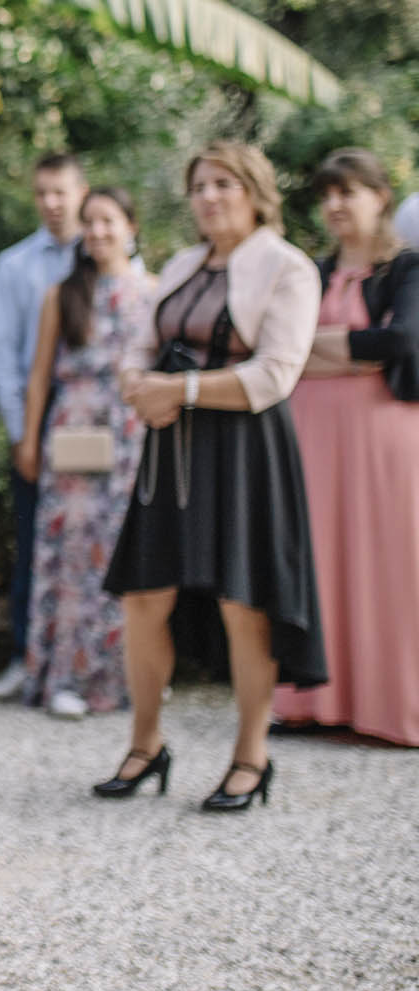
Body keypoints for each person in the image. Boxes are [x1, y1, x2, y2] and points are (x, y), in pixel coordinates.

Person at [98, 140, 324, 811]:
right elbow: (139, 345)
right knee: (143, 595)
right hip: (169, 453)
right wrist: (137, 382)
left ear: (255, 190)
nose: (210, 195)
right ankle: (145, 744)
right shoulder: (181, 264)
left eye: (225, 182)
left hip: (246, 451)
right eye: (200, 185)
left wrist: (182, 389)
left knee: (243, 602)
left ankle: (251, 755)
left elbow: (277, 373)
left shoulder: (289, 267)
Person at [271, 149, 419, 746]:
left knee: (390, 564)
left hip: (383, 438)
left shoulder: (407, 268)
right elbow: (276, 343)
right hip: (311, 434)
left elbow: (404, 342)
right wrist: (355, 349)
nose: (334, 205)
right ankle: (312, 703)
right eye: (327, 195)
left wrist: (319, 347)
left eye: (347, 192)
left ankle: (391, 708)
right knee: (320, 559)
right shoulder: (313, 269)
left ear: (380, 196)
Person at [16, 187, 153, 716]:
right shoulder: (63, 293)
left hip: (131, 431)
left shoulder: (153, 290)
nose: (97, 232)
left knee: (125, 550)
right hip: (72, 428)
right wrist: (28, 439)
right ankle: (65, 676)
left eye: (108, 221)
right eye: (89, 222)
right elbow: (38, 375)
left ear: (130, 226)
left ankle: (125, 675)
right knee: (71, 555)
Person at [0, 153, 89, 702]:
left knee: (96, 539)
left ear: (81, 192)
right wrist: (21, 434)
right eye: (42, 192)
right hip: (38, 414)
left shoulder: (108, 255)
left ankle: (99, 661)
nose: (51, 202)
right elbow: (4, 358)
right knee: (34, 542)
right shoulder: (15, 265)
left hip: (100, 414)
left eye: (61, 192)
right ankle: (29, 659)